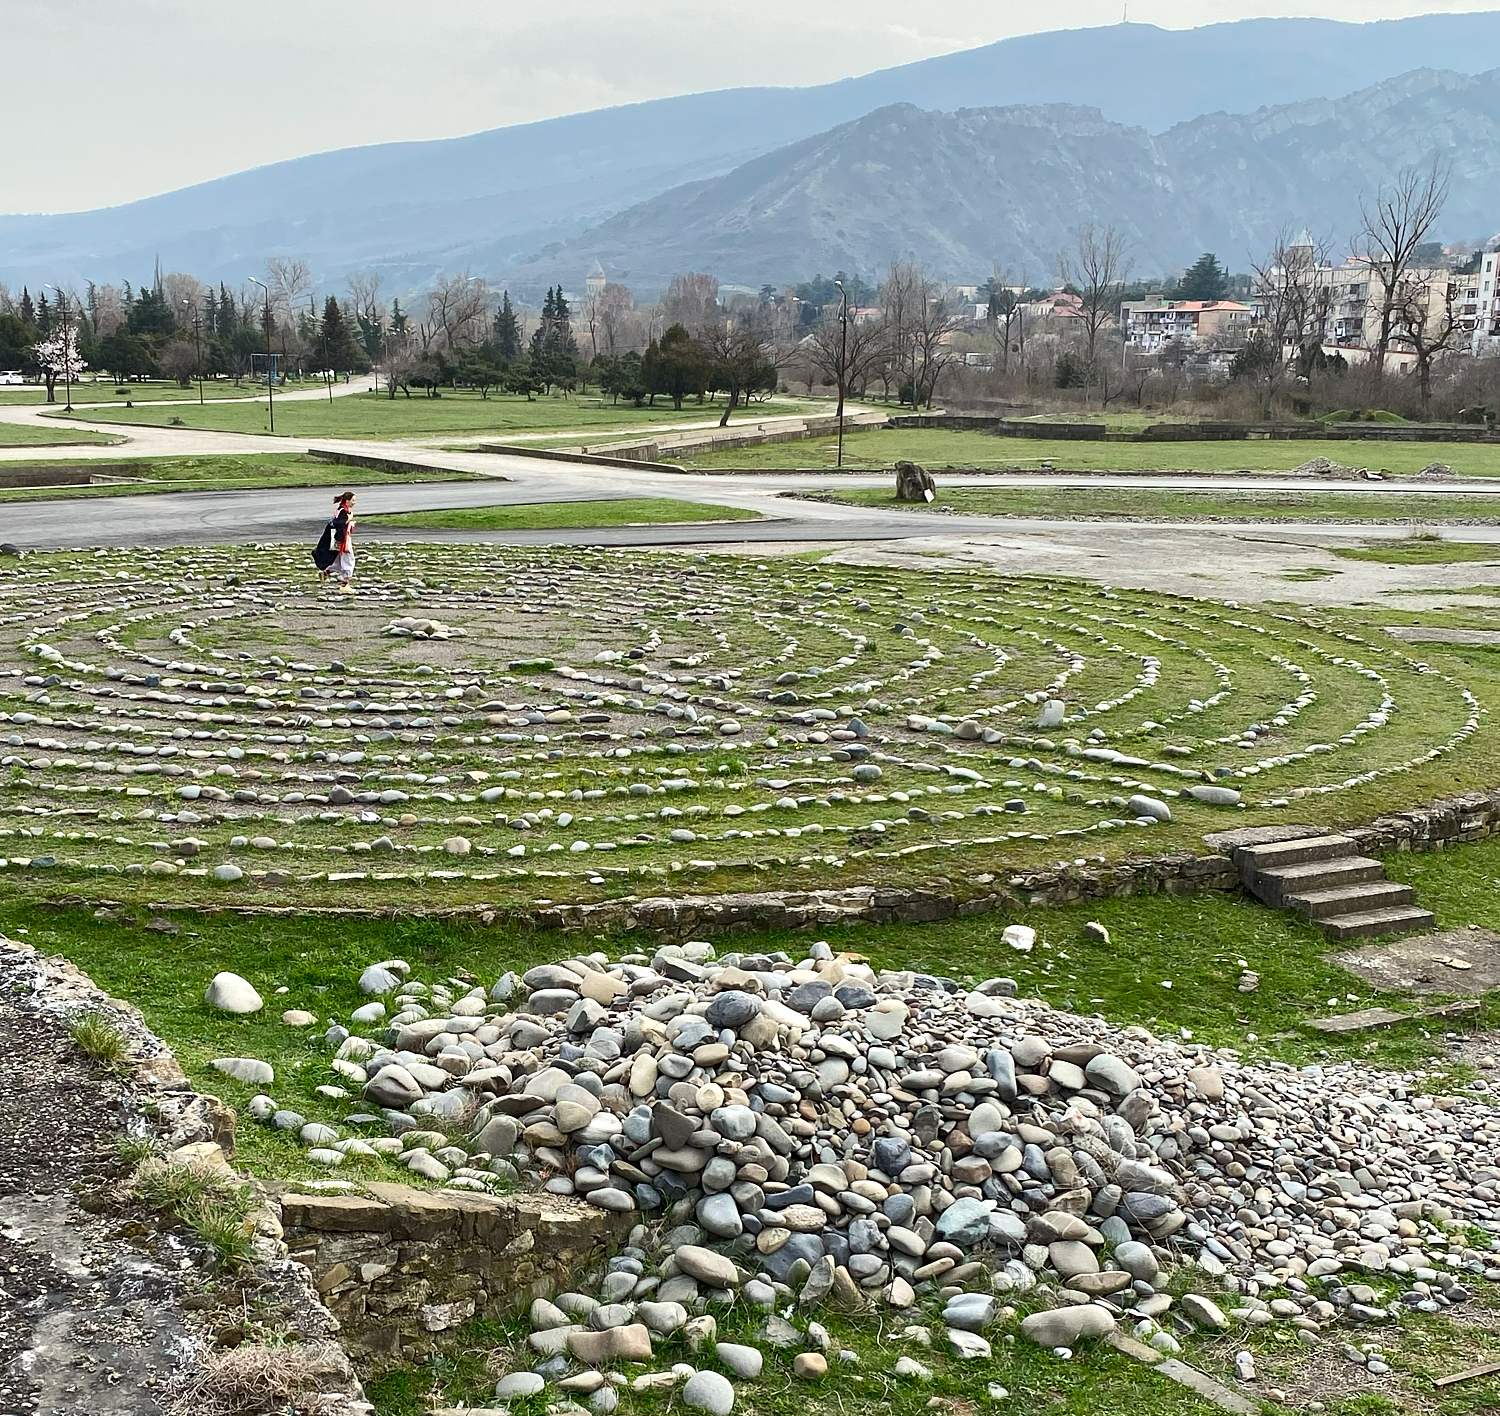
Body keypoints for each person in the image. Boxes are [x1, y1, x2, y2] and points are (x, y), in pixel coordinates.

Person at [312, 491, 357, 593]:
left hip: (342, 538)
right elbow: (339, 525)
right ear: (347, 501)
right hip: (342, 539)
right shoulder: (343, 511)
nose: (354, 503)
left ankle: (326, 572)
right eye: (353, 500)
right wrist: (342, 540)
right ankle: (345, 585)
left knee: (338, 560)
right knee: (349, 560)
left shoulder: (341, 510)